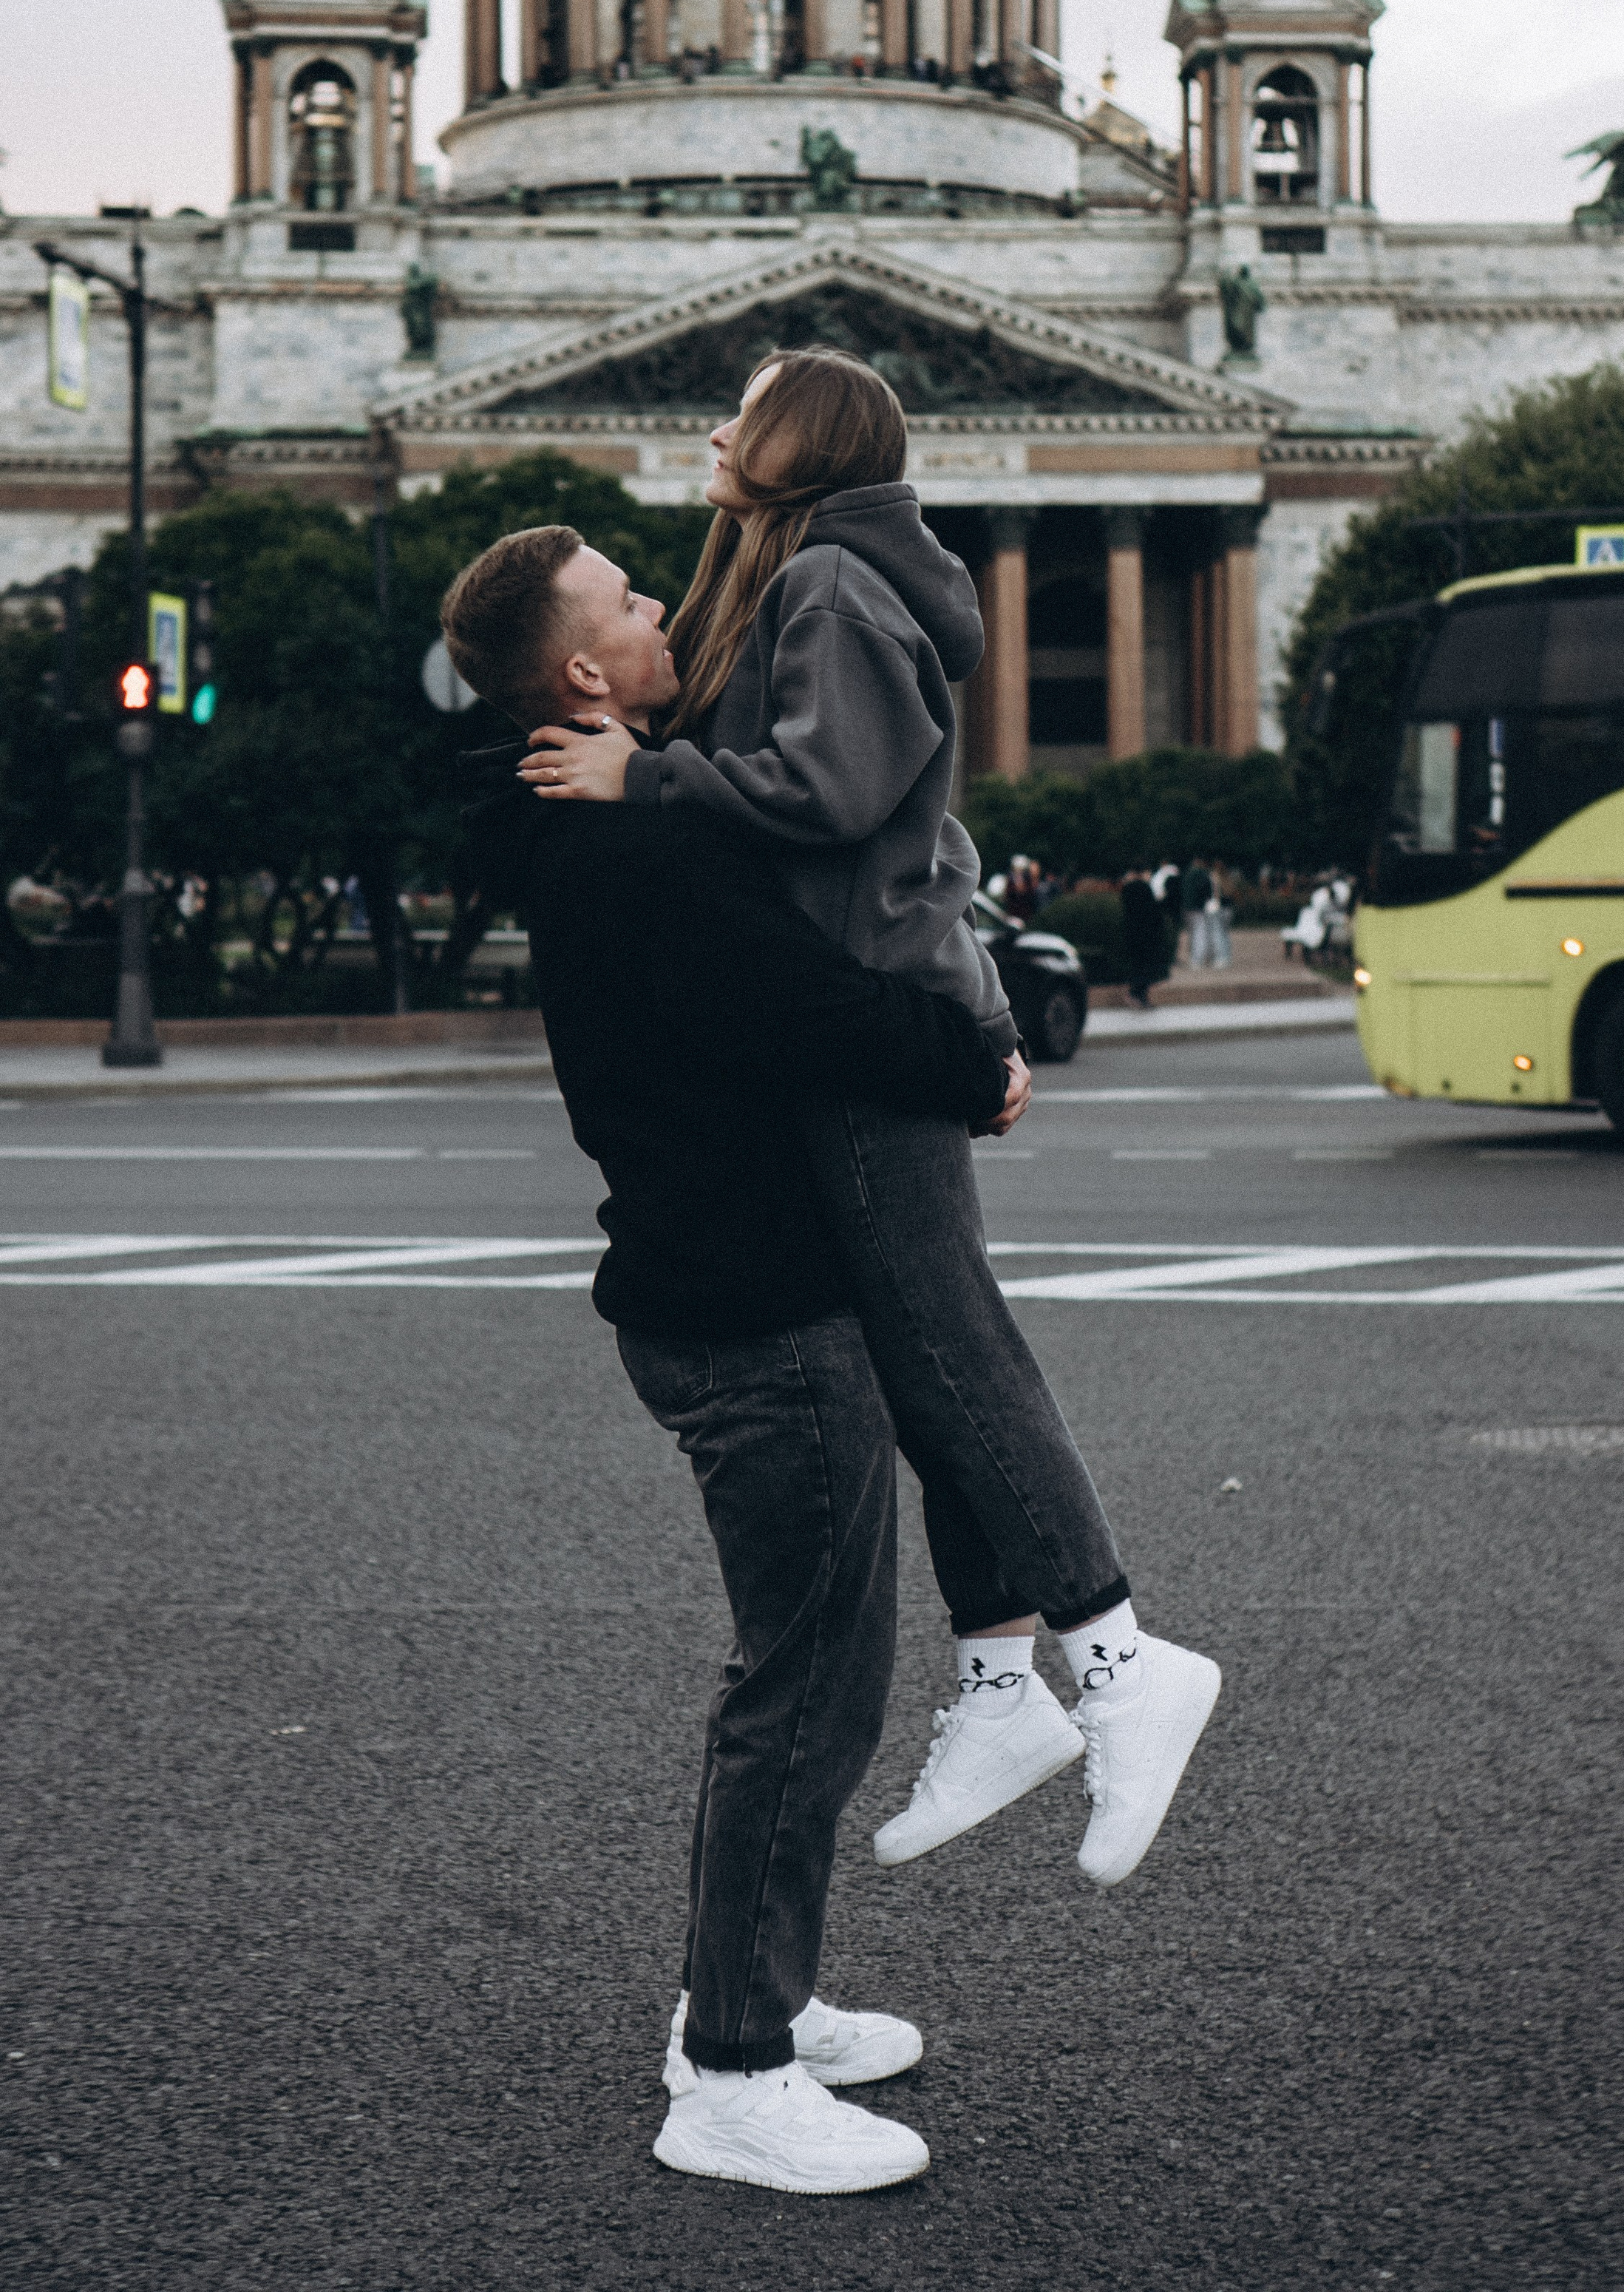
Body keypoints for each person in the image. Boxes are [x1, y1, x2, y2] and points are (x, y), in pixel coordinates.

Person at [509, 351, 1217, 1886]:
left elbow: (832, 800)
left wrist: (653, 782)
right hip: (883, 1002)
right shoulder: (814, 578)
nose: (711, 432)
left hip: (873, 1020)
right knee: (921, 1356)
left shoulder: (827, 584)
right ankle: (996, 1684)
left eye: (741, 414)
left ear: (798, 447)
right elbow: (902, 815)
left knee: (950, 1346)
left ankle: (1108, 1653)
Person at [445, 531, 1018, 2191]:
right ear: (576, 675)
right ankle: (732, 2070)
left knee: (801, 1674)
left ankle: (743, 1995)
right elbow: (799, 1008)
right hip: (754, 1311)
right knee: (802, 1690)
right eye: (630, 602)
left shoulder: (609, 807)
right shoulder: (631, 844)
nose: (661, 613)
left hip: (723, 1290)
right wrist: (973, 1054)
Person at [1119, 867, 1168, 1008]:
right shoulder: (1145, 888)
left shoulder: (1127, 889)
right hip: (1146, 934)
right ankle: (1139, 995)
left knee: (1136, 965)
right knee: (1145, 967)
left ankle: (1136, 994)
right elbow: (1153, 912)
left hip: (1132, 933)